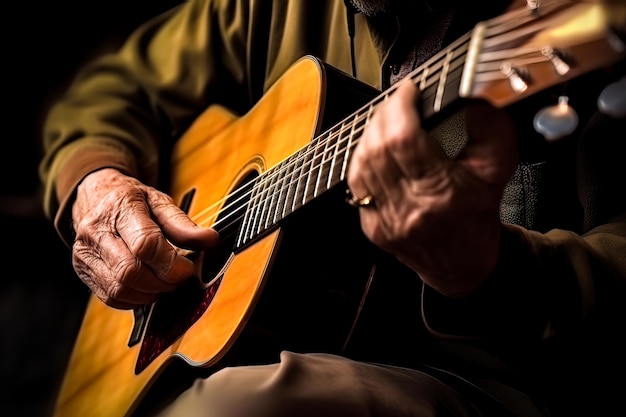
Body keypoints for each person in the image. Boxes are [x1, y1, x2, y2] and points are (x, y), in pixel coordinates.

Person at [39, 0, 626, 416]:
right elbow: (114, 89)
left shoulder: (564, 29)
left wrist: (486, 270)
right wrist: (97, 181)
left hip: (509, 382)